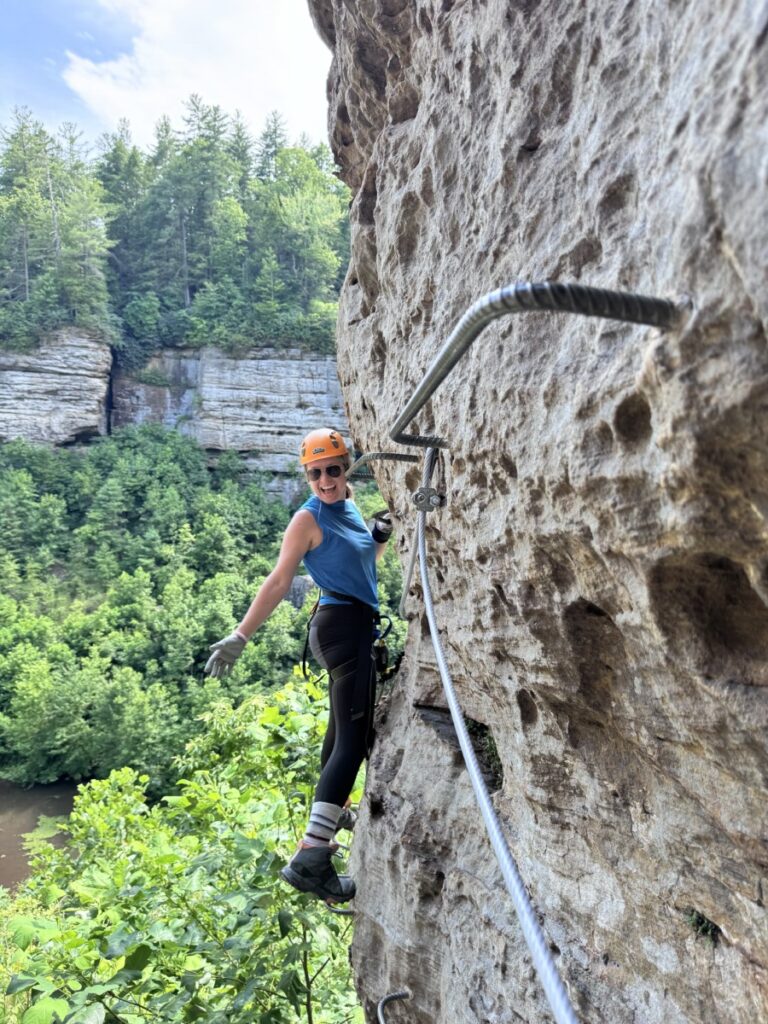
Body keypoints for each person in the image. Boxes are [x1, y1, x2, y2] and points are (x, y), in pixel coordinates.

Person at [204, 428, 393, 904]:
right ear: (306, 475)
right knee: (354, 741)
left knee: (338, 735)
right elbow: (279, 580)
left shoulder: (347, 504)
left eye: (333, 469)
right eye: (315, 473)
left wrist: (380, 537)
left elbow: (361, 567)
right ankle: (312, 853)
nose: (326, 480)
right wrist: (241, 635)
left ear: (347, 467)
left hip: (350, 623)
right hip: (341, 628)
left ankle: (332, 817)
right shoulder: (306, 519)